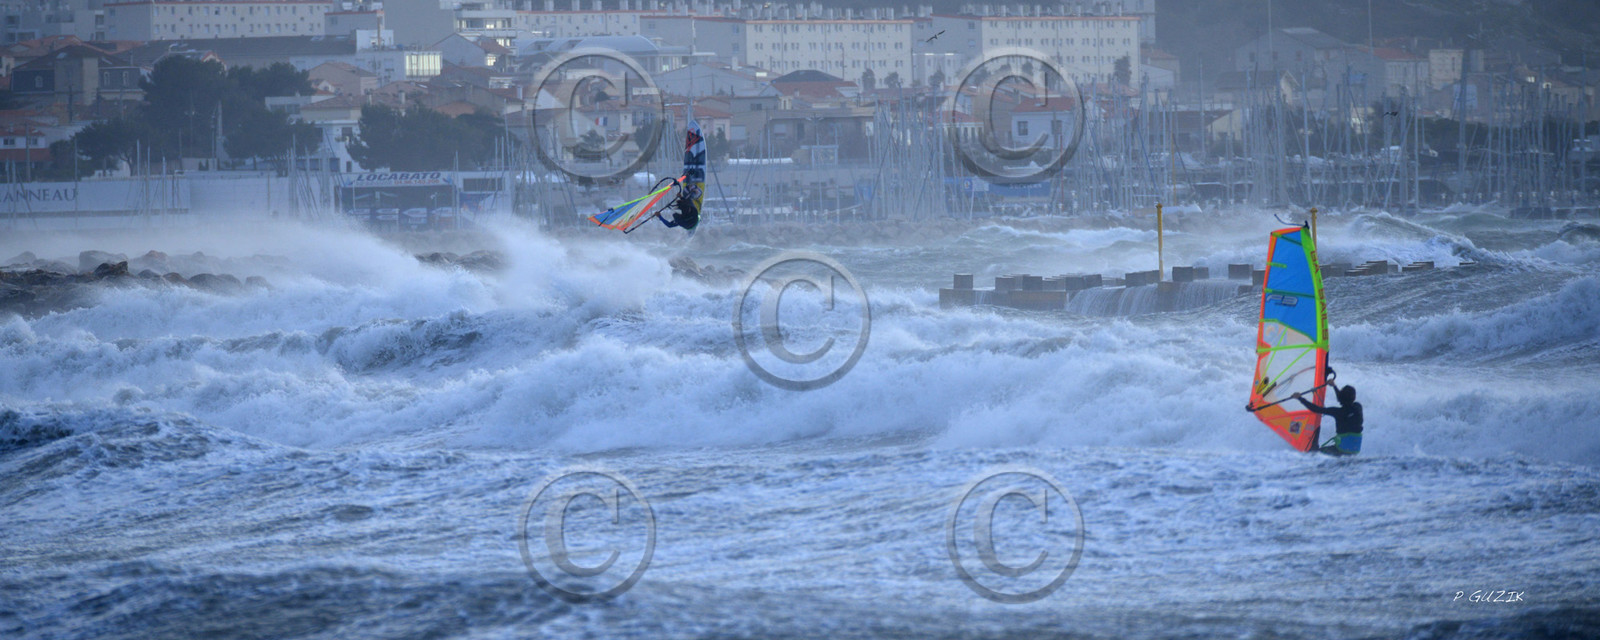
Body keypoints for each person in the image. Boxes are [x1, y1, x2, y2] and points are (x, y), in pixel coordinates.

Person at [1294, 383, 1363, 456]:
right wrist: (1334, 386)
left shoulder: (1337, 412)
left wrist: (1300, 398)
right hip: (1355, 449)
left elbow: (1316, 409)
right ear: (1354, 397)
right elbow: (1343, 398)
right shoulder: (1358, 407)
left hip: (1341, 449)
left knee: (1314, 453)